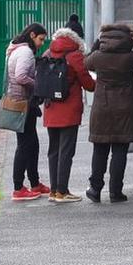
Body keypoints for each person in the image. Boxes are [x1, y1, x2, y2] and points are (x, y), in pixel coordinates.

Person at [83, 22, 133, 203]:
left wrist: (97, 43)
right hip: (125, 108)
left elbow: (86, 61)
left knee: (100, 150)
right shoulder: (131, 57)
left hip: (102, 108)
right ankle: (115, 192)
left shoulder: (97, 57)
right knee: (119, 151)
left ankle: (95, 189)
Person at [38, 22, 95, 199]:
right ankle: (62, 191)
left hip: (50, 107)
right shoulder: (75, 55)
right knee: (66, 151)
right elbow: (88, 84)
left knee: (53, 150)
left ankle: (54, 190)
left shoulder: (48, 52)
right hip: (69, 109)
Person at [4, 22, 50, 201]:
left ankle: (35, 182)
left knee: (31, 143)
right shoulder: (25, 52)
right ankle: (18, 187)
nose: (42, 43)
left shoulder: (16, 49)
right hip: (23, 103)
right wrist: (38, 83)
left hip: (20, 102)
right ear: (32, 35)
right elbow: (21, 76)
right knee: (25, 145)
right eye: (41, 39)